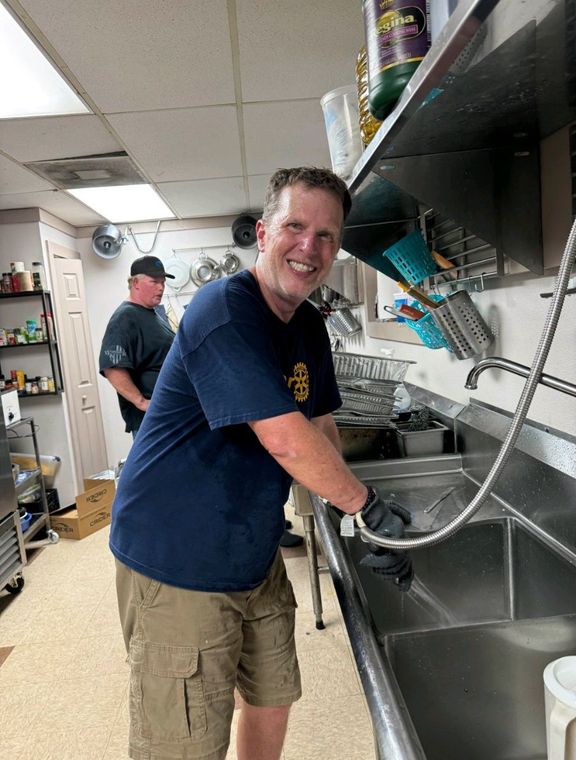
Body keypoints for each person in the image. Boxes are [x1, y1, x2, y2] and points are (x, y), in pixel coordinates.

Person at [109, 166, 412, 760]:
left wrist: (359, 518)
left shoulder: (307, 326)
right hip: (178, 558)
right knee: (185, 743)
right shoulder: (223, 308)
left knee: (273, 697)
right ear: (263, 231)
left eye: (327, 234)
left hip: (251, 550)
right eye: (296, 226)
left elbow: (319, 427)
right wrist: (366, 505)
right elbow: (285, 440)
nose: (310, 246)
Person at [99, 255, 175, 437]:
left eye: (163, 282)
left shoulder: (153, 313)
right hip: (151, 421)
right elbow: (112, 366)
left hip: (168, 415)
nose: (161, 287)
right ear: (135, 282)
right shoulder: (125, 317)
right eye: (154, 281)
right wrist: (141, 402)